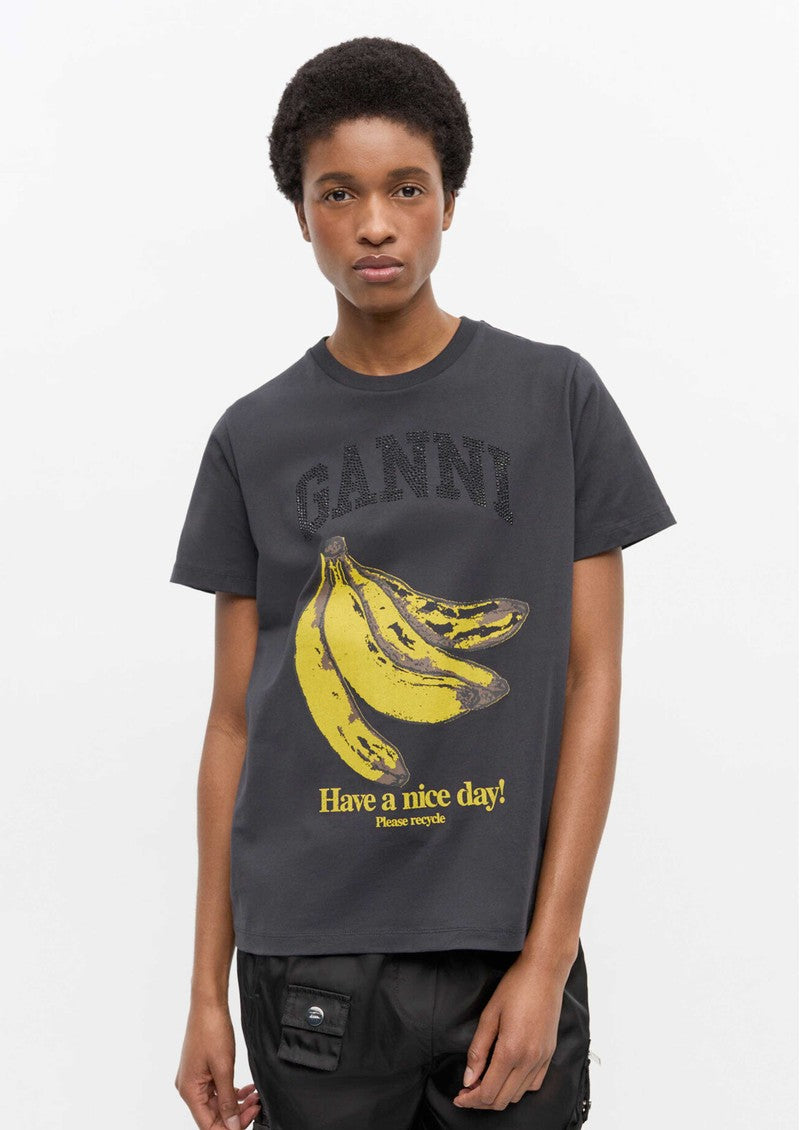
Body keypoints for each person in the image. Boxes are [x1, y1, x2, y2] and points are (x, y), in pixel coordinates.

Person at [170, 35, 677, 1130]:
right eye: (337, 193)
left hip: (503, 947)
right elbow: (232, 723)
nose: (375, 224)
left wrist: (547, 956)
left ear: (449, 201)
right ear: (300, 214)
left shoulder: (555, 400)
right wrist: (204, 991)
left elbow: (589, 679)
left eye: (406, 188)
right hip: (309, 955)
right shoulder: (252, 436)